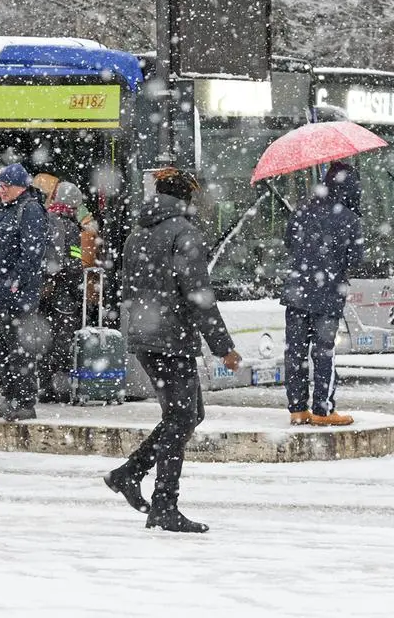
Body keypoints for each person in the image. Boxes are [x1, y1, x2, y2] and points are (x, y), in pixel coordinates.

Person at [105, 167, 241, 533]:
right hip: (172, 340)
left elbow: (130, 288)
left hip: (145, 336)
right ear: (186, 198)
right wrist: (223, 347)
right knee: (182, 419)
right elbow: (199, 297)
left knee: (188, 414)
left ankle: (129, 473)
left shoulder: (137, 234)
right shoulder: (184, 233)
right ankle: (164, 504)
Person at [282, 161, 363, 427]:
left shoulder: (302, 210)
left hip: (297, 293)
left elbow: (289, 244)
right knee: (324, 352)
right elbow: (356, 258)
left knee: (295, 352)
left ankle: (296, 409)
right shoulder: (350, 219)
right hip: (328, 296)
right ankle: (322, 409)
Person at [0, 163, 48, 422]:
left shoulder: (30, 210)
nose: (1, 190)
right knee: (3, 350)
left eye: (6, 186)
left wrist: (14, 282)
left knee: (20, 350)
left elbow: (32, 254)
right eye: (1, 186)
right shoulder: (5, 209)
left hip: (18, 295)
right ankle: (10, 397)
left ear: (20, 187)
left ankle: (25, 401)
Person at [38, 182, 85, 403]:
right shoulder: (71, 228)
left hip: (43, 292)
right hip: (63, 295)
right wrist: (78, 290)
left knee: (44, 341)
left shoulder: (45, 220)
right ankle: (63, 390)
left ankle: (45, 387)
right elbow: (74, 262)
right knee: (63, 343)